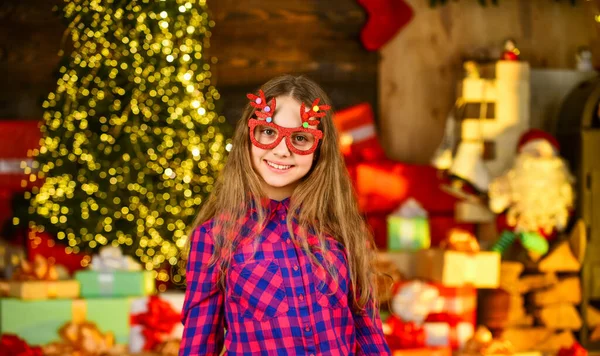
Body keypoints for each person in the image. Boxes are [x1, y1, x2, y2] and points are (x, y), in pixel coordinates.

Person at [179, 75, 391, 356]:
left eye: (300, 138)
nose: (281, 150)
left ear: (319, 149)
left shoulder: (342, 231)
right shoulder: (214, 237)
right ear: (248, 136)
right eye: (268, 132)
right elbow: (198, 344)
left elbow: (368, 332)